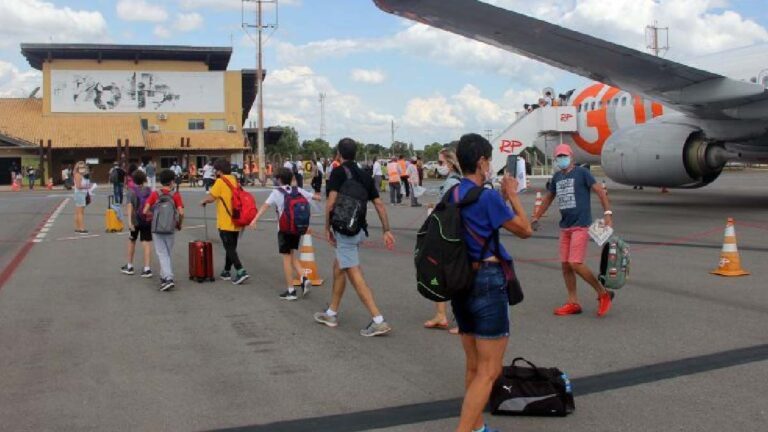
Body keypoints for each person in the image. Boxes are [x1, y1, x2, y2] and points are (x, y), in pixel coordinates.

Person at [450, 133, 532, 432]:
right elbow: (525, 230)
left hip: (459, 283)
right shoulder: (487, 197)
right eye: (489, 160)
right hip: (486, 281)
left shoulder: (453, 194)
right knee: (489, 370)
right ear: (482, 161)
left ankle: (477, 427)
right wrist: (512, 195)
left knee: (473, 365)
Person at [313, 138, 396, 337]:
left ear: (339, 154)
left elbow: (331, 203)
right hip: (358, 230)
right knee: (339, 267)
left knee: (353, 272)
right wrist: (386, 230)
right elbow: (379, 205)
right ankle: (331, 312)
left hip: (344, 231)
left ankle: (378, 320)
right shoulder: (365, 175)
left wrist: (327, 228)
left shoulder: (338, 172)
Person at [532, 143, 614, 317]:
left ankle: (602, 292)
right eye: (558, 157)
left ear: (571, 157)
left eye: (564, 156)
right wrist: (536, 216)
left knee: (575, 263)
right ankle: (573, 302)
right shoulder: (557, 178)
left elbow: (600, 190)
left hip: (580, 225)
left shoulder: (582, 173)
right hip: (565, 226)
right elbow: (548, 198)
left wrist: (608, 213)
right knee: (565, 265)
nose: (562, 159)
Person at [252, 167, 320, 300]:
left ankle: (291, 290)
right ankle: (304, 278)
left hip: (284, 230)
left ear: (279, 179)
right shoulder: (297, 190)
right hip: (297, 229)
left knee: (286, 259)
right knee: (291, 254)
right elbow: (314, 197)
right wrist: (318, 195)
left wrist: (254, 220)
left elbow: (265, 206)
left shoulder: (277, 192)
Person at [424, 148, 463, 332]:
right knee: (440, 272)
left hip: (448, 232)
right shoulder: (453, 181)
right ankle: (441, 314)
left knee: (450, 274)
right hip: (448, 231)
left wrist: (435, 210)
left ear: (450, 162)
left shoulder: (452, 182)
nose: (439, 166)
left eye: (440, 163)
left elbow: (447, 207)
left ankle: (463, 319)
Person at [200, 159, 250, 285]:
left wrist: (203, 201)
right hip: (237, 219)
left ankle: (240, 270)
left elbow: (211, 197)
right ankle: (226, 271)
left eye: (216, 170)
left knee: (229, 248)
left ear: (220, 171)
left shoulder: (220, 181)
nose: (215, 172)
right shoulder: (234, 179)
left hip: (225, 220)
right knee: (231, 247)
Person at [144, 169, 184, 291]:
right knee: (167, 253)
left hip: (157, 228)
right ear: (172, 181)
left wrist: (153, 216)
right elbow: (181, 212)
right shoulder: (175, 195)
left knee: (162, 253)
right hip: (171, 228)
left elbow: (145, 211)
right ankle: (164, 276)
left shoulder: (155, 194)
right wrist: (179, 224)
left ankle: (168, 278)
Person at [121, 170, 153, 278]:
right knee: (146, 242)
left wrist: (129, 221)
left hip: (135, 220)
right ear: (144, 179)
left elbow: (129, 206)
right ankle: (147, 268)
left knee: (132, 241)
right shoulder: (149, 190)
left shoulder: (131, 191)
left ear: (133, 180)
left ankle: (129, 266)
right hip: (147, 219)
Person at [72, 161, 90, 234]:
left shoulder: (79, 174)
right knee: (80, 212)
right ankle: (81, 228)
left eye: (83, 167)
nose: (82, 169)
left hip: (80, 194)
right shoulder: (78, 175)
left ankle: (77, 227)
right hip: (80, 194)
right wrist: (88, 187)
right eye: (81, 167)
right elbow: (78, 186)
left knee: (77, 212)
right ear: (78, 168)